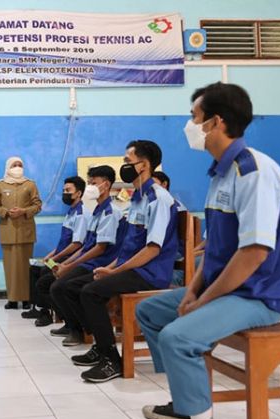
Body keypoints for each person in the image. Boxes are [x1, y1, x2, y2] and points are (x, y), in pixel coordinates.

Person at [137, 82, 280, 419]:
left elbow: (253, 254)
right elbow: (214, 249)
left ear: (215, 122)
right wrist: (193, 291)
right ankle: (185, 400)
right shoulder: (219, 173)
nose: (190, 125)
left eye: (195, 117)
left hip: (258, 294)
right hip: (224, 290)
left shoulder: (254, 171)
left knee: (177, 337)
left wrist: (203, 301)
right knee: (149, 311)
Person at [68, 140, 179, 383]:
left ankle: (112, 361)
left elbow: (151, 250)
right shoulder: (136, 198)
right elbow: (130, 246)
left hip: (150, 272)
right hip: (132, 267)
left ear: (145, 165)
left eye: (128, 162)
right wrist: (110, 268)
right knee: (78, 284)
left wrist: (116, 271)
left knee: (91, 292)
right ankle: (102, 345)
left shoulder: (159, 199)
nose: (125, 166)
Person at [49, 165, 127, 343]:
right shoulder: (96, 211)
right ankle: (80, 328)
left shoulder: (110, 212)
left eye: (94, 183)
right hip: (90, 262)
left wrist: (70, 265)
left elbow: (100, 249)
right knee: (57, 286)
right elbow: (85, 247)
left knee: (66, 287)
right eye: (89, 183)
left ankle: (86, 330)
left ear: (106, 185)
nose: (90, 187)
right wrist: (66, 264)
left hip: (101, 263)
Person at [22, 176, 89, 326]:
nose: (64, 193)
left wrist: (55, 258)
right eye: (64, 190)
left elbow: (77, 244)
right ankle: (38, 307)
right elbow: (63, 242)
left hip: (69, 258)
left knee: (45, 273)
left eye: (68, 190)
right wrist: (49, 255)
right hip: (61, 255)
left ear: (78, 193)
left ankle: (51, 313)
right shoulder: (70, 212)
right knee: (34, 268)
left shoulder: (81, 214)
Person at [0, 157, 42, 309]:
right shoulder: (0, 184)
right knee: (10, 267)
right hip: (8, 231)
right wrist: (6, 212)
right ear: (8, 167)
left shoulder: (30, 184)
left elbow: (37, 205)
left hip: (26, 231)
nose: (18, 167)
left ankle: (27, 299)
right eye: (14, 165)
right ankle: (12, 299)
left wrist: (23, 211)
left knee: (26, 267)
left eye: (20, 165)